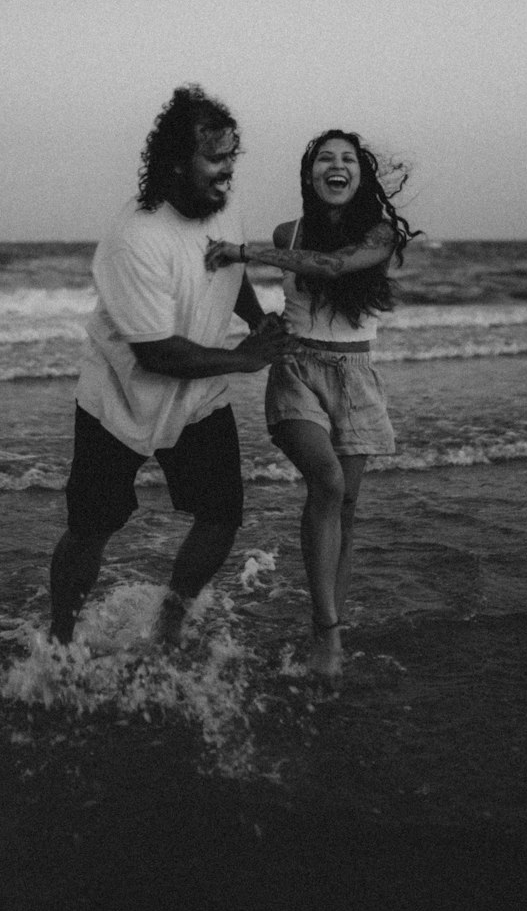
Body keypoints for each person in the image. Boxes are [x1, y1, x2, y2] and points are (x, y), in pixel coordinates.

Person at [49, 85, 290, 648]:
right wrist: (243, 359)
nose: (228, 171)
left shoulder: (224, 208)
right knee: (91, 529)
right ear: (177, 161)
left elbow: (231, 275)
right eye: (215, 157)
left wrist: (256, 322)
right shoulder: (135, 237)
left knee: (222, 514)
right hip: (119, 398)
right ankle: (60, 639)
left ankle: (169, 622)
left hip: (198, 396)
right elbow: (156, 352)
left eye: (233, 155)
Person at [205, 130, 418, 687]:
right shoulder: (287, 232)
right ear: (310, 174)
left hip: (357, 376)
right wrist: (258, 322)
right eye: (326, 158)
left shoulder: (381, 233)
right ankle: (327, 631)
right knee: (325, 483)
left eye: (347, 158)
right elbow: (240, 280)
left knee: (344, 509)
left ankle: (329, 625)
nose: (337, 165)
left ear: (360, 176)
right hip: (297, 369)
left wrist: (244, 250)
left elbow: (327, 266)